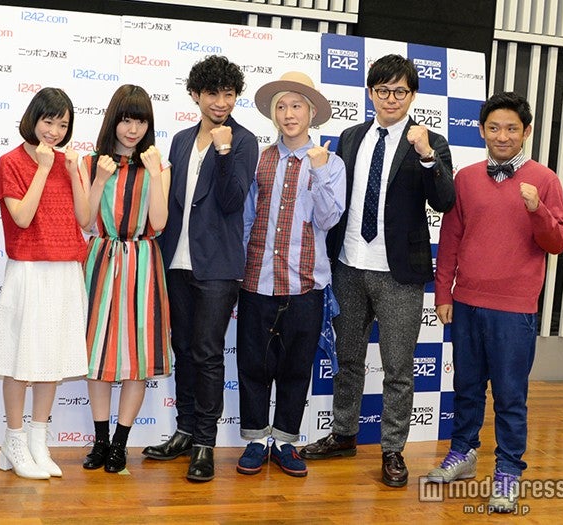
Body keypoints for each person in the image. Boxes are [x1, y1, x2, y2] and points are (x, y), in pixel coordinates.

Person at [299, 54, 455, 488]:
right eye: (383, 90)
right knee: (348, 359)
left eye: (400, 91)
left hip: (398, 274)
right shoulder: (350, 137)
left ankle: (392, 450)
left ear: (412, 95)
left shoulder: (431, 142)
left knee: (398, 368)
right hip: (348, 267)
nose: (391, 98)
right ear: (370, 93)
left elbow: (445, 201)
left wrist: (427, 156)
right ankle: (343, 434)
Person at [427, 92, 563, 512]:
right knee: (467, 388)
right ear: (481, 130)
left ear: (527, 132)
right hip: (467, 302)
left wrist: (537, 209)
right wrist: (443, 292)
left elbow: (558, 242)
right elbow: (451, 238)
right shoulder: (466, 178)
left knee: (509, 396)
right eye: (494, 128)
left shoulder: (544, 179)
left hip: (515, 308)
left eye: (511, 128)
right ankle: (463, 453)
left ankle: (507, 470)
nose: (502, 136)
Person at [142, 55, 259, 482]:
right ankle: (185, 430)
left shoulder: (244, 141)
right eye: (212, 93)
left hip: (218, 266)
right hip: (176, 261)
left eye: (229, 94)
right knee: (184, 349)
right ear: (195, 94)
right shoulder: (180, 140)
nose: (221, 102)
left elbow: (232, 201)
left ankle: (205, 443)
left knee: (208, 353)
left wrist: (224, 151)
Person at [237, 72, 346, 477]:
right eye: (281, 106)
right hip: (258, 280)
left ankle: (284, 441)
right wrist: (239, 269)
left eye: (296, 105)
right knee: (253, 364)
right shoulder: (259, 159)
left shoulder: (331, 163)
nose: (288, 114)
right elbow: (247, 219)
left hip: (306, 284)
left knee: (296, 367)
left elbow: (329, 219)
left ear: (311, 112)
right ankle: (254, 440)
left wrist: (317, 172)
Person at [0, 87, 90, 480]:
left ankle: (38, 440)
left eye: (63, 125)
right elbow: (23, 217)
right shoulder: (10, 162)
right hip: (28, 270)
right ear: (33, 118)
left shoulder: (69, 162)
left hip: (65, 269)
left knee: (52, 360)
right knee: (20, 360)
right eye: (49, 121)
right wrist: (44, 169)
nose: (54, 131)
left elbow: (85, 219)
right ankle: (13, 440)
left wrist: (75, 173)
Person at [80, 85, 172, 473]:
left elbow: (159, 223)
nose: (133, 130)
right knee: (97, 353)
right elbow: (85, 220)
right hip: (101, 258)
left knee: (139, 355)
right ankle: (100, 441)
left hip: (142, 260)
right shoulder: (89, 163)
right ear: (113, 121)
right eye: (126, 120)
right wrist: (100, 180)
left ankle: (120, 444)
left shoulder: (157, 165)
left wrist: (155, 171)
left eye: (141, 121)